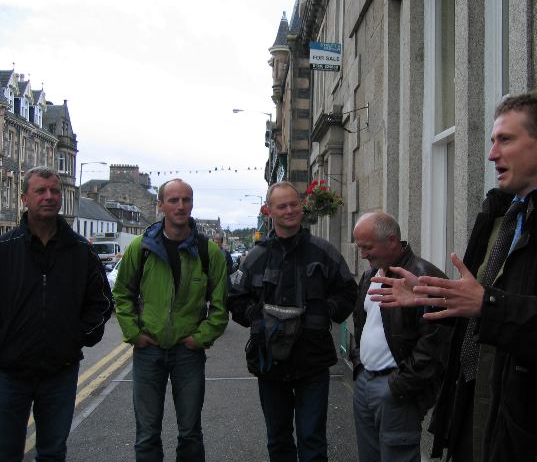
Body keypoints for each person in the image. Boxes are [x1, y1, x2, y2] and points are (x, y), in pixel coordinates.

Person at [370, 93, 537, 462]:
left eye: (505, 139)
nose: (492, 154)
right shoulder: (497, 219)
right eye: (492, 141)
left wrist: (487, 304)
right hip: (476, 414)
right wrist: (435, 296)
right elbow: (484, 310)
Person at [228, 181, 357, 462]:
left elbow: (348, 291)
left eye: (294, 204)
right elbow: (235, 299)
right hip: (270, 363)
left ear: (301, 206)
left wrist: (326, 310)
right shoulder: (255, 257)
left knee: (313, 441)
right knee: (278, 440)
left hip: (313, 361)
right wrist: (257, 317)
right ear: (269, 211)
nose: (289, 210)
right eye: (282, 206)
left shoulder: (324, 252)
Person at [0, 166, 113, 461]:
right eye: (40, 191)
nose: (49, 196)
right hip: (9, 373)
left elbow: (101, 302)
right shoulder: (5, 248)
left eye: (54, 191)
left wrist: (77, 337)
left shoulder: (81, 250)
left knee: (52, 452)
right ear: (25, 198)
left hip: (60, 371)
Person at [113, 178, 228, 462]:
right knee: (146, 435)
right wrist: (134, 334)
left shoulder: (208, 252)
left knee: (190, 433)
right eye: (173, 200)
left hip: (188, 353)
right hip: (148, 352)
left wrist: (200, 339)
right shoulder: (141, 248)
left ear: (192, 204)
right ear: (161, 205)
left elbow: (221, 305)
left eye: (186, 200)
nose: (180, 206)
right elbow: (122, 293)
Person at [350, 212, 450, 462]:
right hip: (365, 382)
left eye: (367, 247)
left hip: (395, 389)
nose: (363, 255)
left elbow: (435, 343)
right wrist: (359, 364)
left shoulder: (424, 276)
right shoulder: (370, 275)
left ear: (392, 241)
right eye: (360, 247)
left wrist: (399, 385)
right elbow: (361, 323)